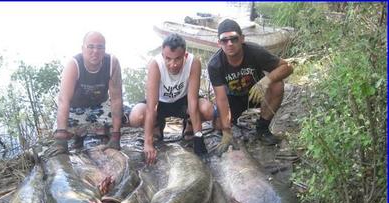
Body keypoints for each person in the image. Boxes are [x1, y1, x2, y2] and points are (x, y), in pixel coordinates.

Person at [207, 19, 293, 155]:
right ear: (219, 43)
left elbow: (287, 67)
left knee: (277, 84)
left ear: (242, 39)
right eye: (224, 40)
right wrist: (226, 130)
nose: (229, 44)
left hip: (256, 94)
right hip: (232, 99)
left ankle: (262, 129)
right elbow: (221, 98)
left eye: (234, 39)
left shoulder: (255, 51)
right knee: (217, 125)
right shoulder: (215, 64)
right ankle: (231, 124)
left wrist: (266, 81)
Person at [128, 33, 216, 165]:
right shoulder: (155, 64)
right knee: (135, 117)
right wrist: (148, 142)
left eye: (178, 59)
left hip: (183, 102)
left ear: (185, 56)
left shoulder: (194, 62)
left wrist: (199, 137)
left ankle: (189, 126)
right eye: (168, 59)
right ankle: (157, 128)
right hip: (161, 103)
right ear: (163, 55)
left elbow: (192, 102)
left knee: (208, 110)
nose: (173, 64)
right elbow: (151, 107)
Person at [53, 31, 123, 150]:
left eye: (100, 47)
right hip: (76, 107)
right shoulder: (74, 64)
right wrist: (61, 135)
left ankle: (105, 134)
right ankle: (78, 136)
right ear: (82, 48)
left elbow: (116, 99)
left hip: (100, 105)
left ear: (105, 49)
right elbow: (63, 99)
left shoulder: (112, 63)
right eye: (90, 46)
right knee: (63, 130)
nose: (95, 51)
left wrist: (116, 135)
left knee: (119, 122)